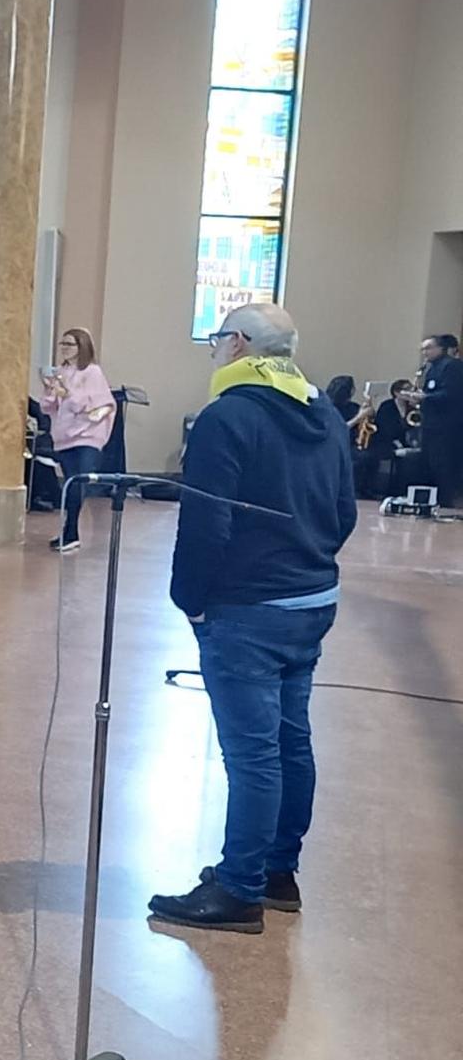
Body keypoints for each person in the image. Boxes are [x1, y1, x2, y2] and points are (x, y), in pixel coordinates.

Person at [147, 302, 358, 933]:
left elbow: (205, 521)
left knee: (252, 753)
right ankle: (275, 872)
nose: (213, 350)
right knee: (291, 739)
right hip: (311, 598)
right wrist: (310, 561)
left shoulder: (228, 415)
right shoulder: (323, 412)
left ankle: (238, 890)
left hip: (248, 607)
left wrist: (191, 598)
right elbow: (344, 510)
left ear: (238, 344)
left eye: (218, 339)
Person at [41, 327, 116, 552]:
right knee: (70, 482)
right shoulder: (61, 372)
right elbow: (49, 407)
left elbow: (92, 404)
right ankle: (68, 531)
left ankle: (71, 531)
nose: (64, 348)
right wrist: (50, 390)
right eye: (62, 344)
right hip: (65, 436)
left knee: (77, 481)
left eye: (69, 344)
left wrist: (68, 394)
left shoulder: (92, 372)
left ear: (81, 346)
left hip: (87, 436)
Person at [404, 332, 462, 505]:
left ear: (440, 348)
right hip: (430, 425)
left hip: (447, 427)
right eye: (423, 349)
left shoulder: (452, 366)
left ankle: (445, 503)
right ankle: (430, 501)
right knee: (429, 464)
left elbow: (451, 394)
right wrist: (417, 397)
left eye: (428, 348)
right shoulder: (430, 368)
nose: (425, 353)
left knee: (443, 466)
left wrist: (425, 398)